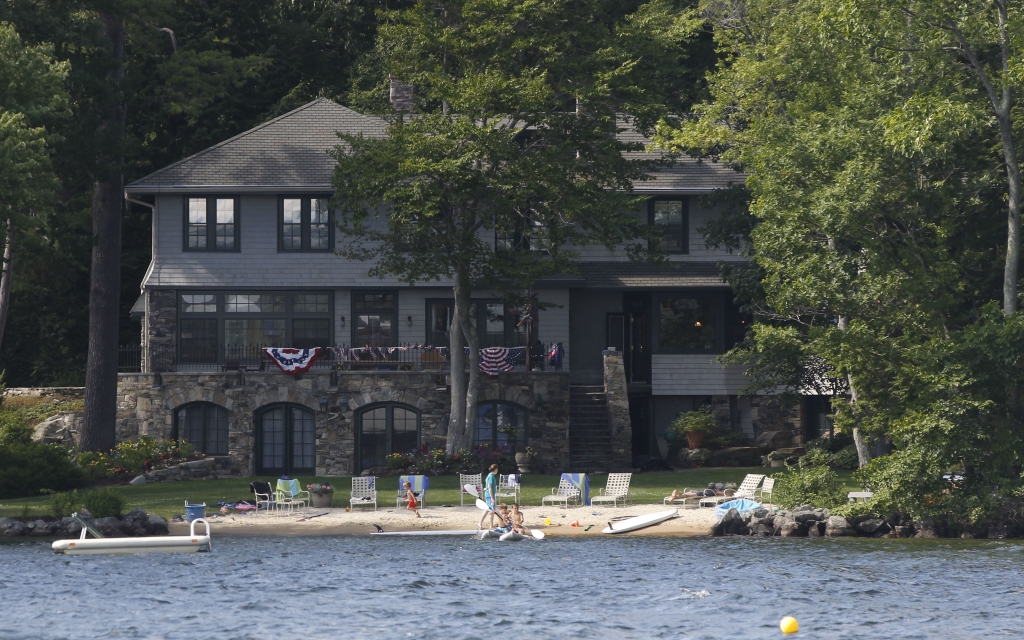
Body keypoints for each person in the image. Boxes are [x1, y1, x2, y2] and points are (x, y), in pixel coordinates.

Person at [478, 464, 501, 529]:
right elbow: (490, 487)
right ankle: (489, 525)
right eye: (497, 469)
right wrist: (492, 498)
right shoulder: (491, 476)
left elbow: (486, 480)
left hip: (488, 495)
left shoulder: (489, 475)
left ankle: (483, 524)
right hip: (489, 495)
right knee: (491, 510)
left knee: (488, 510)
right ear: (496, 469)